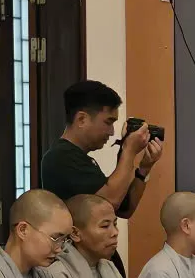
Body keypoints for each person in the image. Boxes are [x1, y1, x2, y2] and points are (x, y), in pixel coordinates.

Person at [40, 80, 163, 220]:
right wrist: (128, 150)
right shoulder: (61, 157)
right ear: (81, 119)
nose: (112, 132)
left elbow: (124, 209)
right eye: (108, 122)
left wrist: (144, 169)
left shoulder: (80, 158)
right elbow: (110, 203)